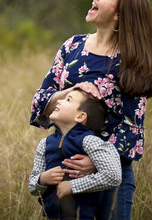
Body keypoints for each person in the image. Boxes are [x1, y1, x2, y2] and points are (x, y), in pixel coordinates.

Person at [29, 0, 152, 220]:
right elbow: (39, 102)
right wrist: (69, 92)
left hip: (110, 180)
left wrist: (95, 160)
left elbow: (132, 132)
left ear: (120, 15)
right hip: (64, 174)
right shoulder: (72, 46)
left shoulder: (132, 62)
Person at [28, 88, 122, 220]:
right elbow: (32, 186)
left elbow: (113, 175)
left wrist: (72, 186)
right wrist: (43, 179)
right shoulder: (44, 144)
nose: (59, 101)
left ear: (80, 116)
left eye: (68, 99)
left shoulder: (89, 141)